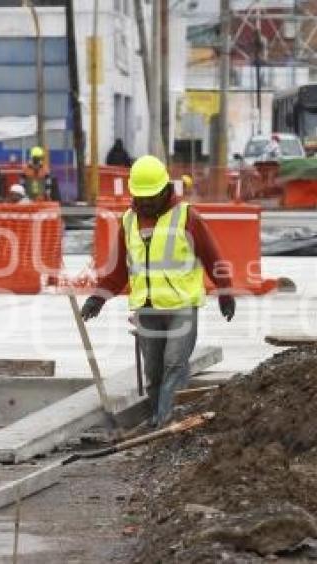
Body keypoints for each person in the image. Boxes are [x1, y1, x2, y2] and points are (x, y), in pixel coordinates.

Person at [80, 155, 236, 428]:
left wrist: (225, 291)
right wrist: (98, 298)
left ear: (166, 190)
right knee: (153, 372)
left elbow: (213, 257)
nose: (146, 202)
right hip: (146, 309)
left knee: (174, 365)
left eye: (151, 196)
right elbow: (118, 270)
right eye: (141, 197)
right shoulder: (129, 221)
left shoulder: (187, 216)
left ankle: (165, 424)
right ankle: (158, 419)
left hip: (181, 307)